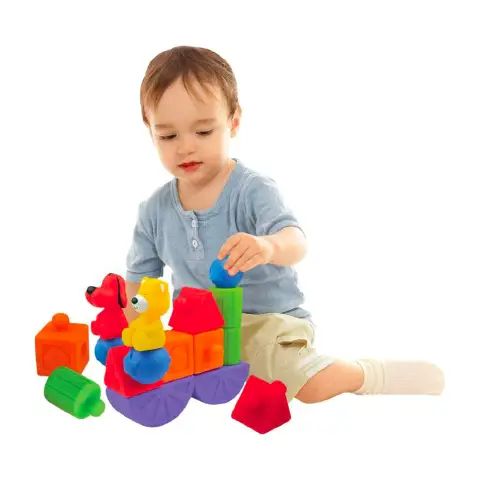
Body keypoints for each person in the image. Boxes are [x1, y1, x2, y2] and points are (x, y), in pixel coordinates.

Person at [124, 45, 445, 403]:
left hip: (269, 326)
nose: (185, 148)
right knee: (158, 375)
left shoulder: (251, 190)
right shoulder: (154, 211)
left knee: (306, 387)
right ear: (149, 130)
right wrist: (139, 337)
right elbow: (138, 282)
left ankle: (366, 374)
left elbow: (296, 241)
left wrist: (267, 247)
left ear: (233, 121)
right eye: (168, 136)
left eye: (203, 132)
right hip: (201, 333)